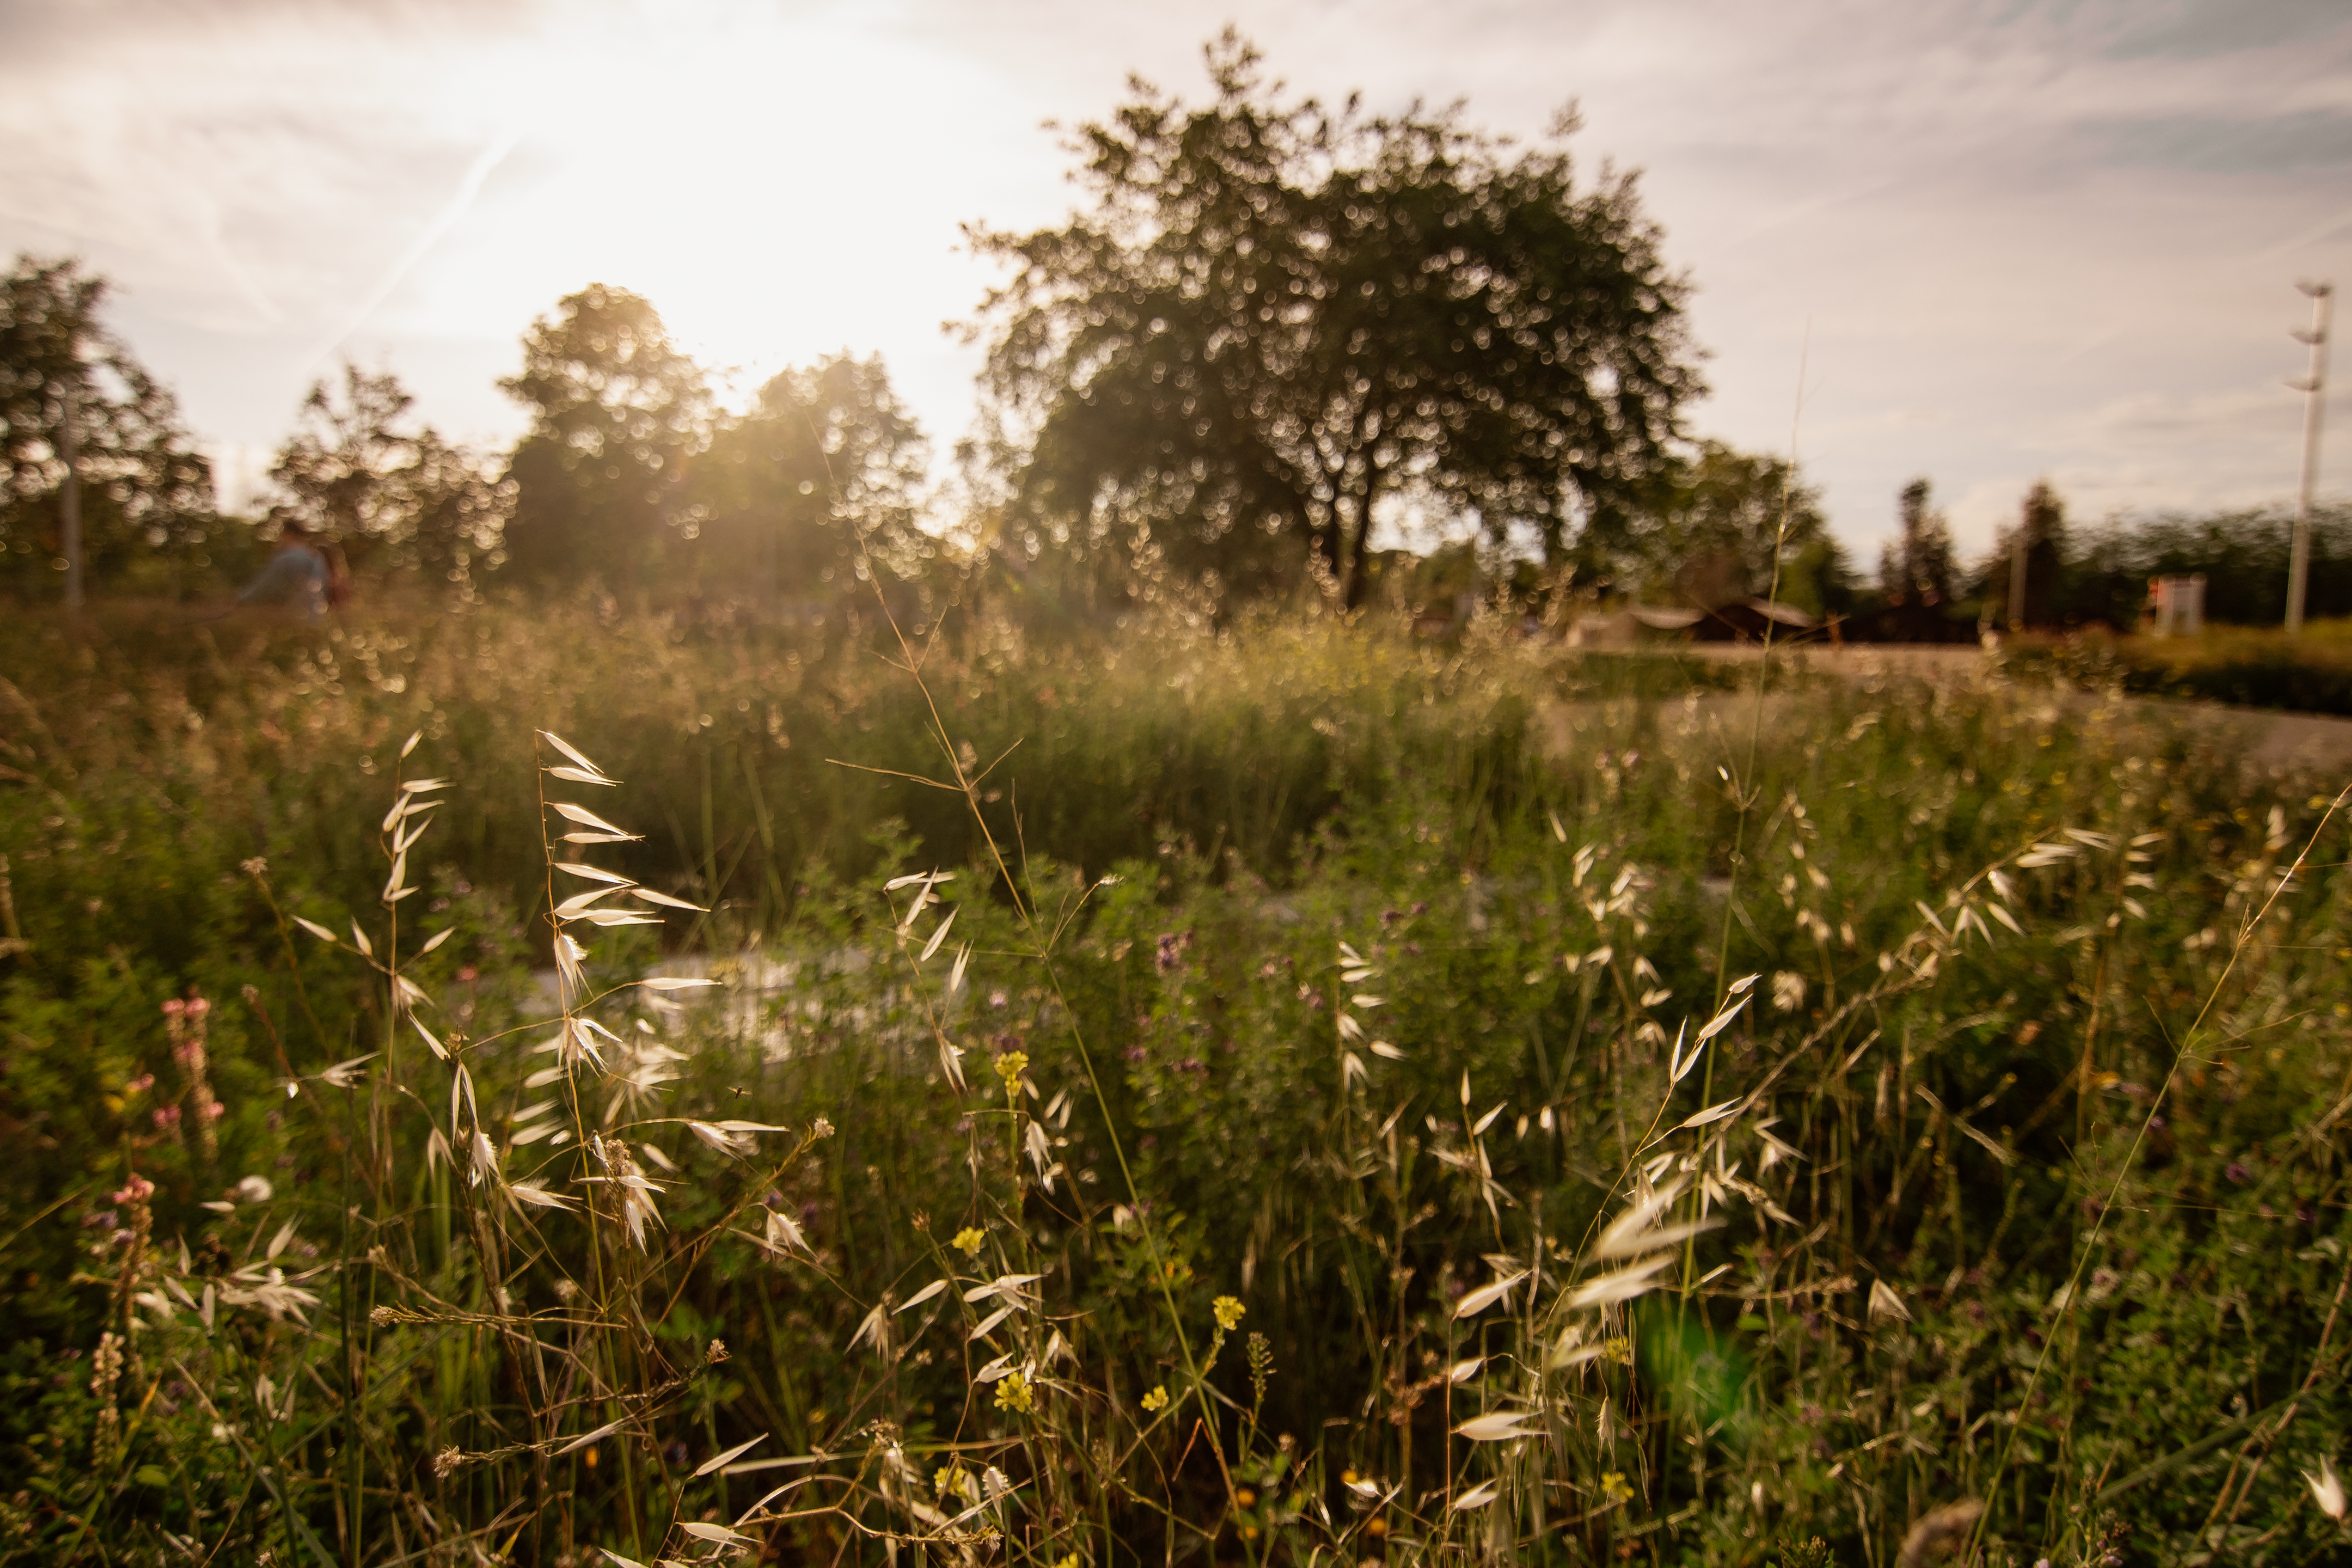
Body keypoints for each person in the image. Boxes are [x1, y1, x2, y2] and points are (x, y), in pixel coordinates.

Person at [236, 518, 337, 621]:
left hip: (290, 617)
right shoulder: (316, 557)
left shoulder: (285, 558)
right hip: (316, 616)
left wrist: (240, 599)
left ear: (288, 534)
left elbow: (265, 585)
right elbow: (323, 588)